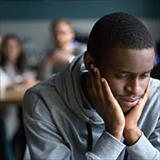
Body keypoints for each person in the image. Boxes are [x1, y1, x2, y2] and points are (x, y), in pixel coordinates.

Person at [23, 12, 160, 160]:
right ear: (90, 63)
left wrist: (133, 133)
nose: (135, 89)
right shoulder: (42, 101)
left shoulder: (156, 96)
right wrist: (113, 133)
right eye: (122, 75)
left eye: (144, 75)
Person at [0, 34, 37, 160]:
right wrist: (18, 83)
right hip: (5, 112)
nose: (11, 49)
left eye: (15, 46)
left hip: (21, 112)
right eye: (7, 46)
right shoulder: (2, 69)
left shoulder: (23, 69)